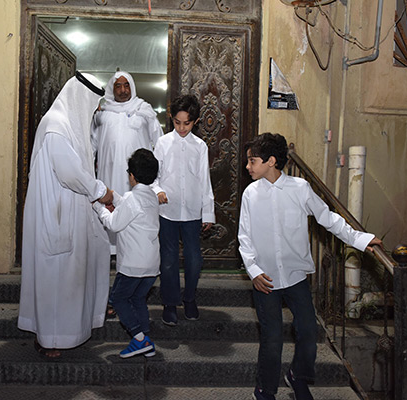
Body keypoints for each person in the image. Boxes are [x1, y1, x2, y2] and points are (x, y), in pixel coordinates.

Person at [237, 132, 382, 400]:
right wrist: (254, 271)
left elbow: (329, 219)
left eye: (252, 161)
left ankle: (298, 376)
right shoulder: (250, 194)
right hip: (265, 279)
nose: (248, 166)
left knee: (308, 330)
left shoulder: (300, 189)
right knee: (272, 339)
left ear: (271, 161)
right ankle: (264, 390)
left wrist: (360, 239)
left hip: (295, 277)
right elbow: (244, 238)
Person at [18, 72, 113, 358]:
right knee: (56, 279)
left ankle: (70, 332)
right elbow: (69, 172)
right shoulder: (56, 126)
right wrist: (101, 191)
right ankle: (50, 339)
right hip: (55, 215)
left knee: (69, 277)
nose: (95, 111)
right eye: (94, 105)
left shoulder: (68, 125)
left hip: (69, 211)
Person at [151, 94, 215, 326]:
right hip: (167, 210)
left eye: (186, 123)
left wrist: (208, 212)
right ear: (171, 119)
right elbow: (154, 176)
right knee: (168, 259)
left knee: (194, 259)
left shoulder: (200, 146)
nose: (181, 128)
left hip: (192, 211)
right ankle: (169, 303)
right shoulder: (162, 143)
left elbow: (204, 180)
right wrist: (158, 190)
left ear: (195, 122)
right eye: (177, 122)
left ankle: (189, 298)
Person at [92, 148, 160, 358]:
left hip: (133, 264)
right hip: (151, 265)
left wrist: (98, 208)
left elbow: (113, 224)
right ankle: (145, 339)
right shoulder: (152, 197)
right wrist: (114, 197)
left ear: (131, 175)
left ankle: (139, 338)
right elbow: (130, 207)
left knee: (119, 299)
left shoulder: (132, 198)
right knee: (138, 299)